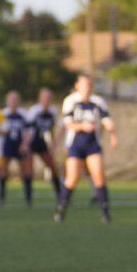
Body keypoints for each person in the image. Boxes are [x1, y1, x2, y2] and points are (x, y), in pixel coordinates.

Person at [54, 74, 118, 223]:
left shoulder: (98, 101)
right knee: (72, 179)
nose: (87, 87)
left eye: (89, 84)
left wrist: (113, 133)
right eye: (84, 84)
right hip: (75, 144)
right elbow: (68, 124)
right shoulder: (71, 101)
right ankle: (61, 208)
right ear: (77, 86)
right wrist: (82, 126)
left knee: (99, 177)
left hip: (92, 144)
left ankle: (106, 212)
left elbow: (106, 120)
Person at [23, 87, 62, 201]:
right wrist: (25, 144)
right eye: (45, 97)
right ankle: (28, 197)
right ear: (40, 98)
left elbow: (54, 128)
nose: (47, 99)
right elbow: (27, 129)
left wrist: (54, 142)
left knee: (52, 167)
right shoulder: (34, 111)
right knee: (29, 169)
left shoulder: (52, 111)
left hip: (42, 141)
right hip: (31, 141)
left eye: (49, 97)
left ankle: (60, 194)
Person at [0, 91, 33, 206]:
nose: (13, 102)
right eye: (11, 100)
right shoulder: (3, 114)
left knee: (26, 171)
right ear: (7, 101)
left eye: (15, 100)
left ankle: (28, 198)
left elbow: (28, 131)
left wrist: (25, 144)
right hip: (7, 144)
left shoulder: (24, 114)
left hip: (20, 144)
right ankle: (2, 198)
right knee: (3, 170)